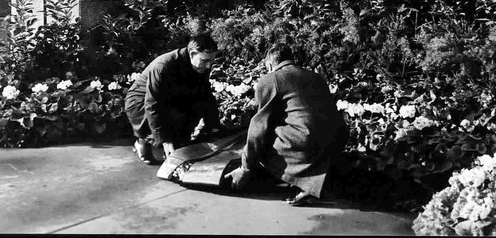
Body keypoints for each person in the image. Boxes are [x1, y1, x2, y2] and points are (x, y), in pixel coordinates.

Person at [224, 43, 348, 206]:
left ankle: (306, 186)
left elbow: (259, 128)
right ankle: (316, 180)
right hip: (337, 139)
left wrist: (245, 168)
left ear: (268, 64)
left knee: (266, 140)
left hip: (306, 141)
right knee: (303, 131)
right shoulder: (315, 76)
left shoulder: (270, 79)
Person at [125, 33, 220, 164]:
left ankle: (177, 143)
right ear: (192, 54)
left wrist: (214, 127)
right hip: (140, 102)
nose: (209, 66)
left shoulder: (201, 65)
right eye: (205, 61)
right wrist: (166, 141)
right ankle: (141, 141)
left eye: (211, 61)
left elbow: (206, 95)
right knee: (164, 125)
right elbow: (153, 103)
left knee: (192, 107)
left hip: (169, 98)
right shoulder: (163, 65)